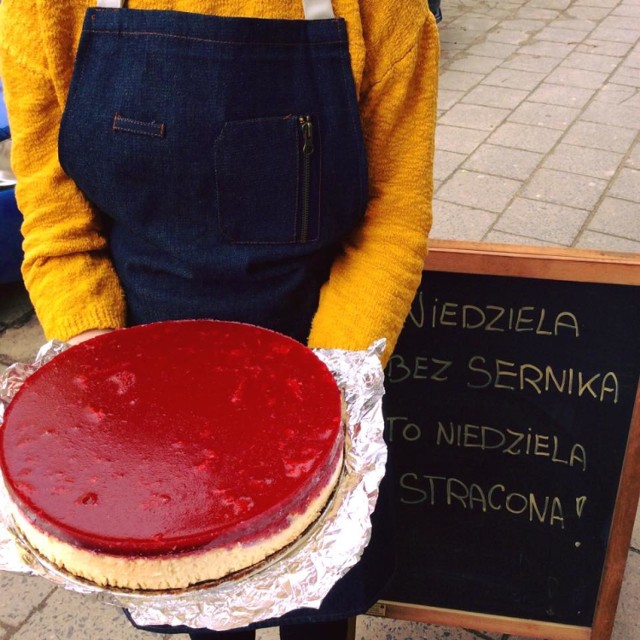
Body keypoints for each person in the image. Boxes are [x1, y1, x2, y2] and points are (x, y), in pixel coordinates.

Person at [0, 0, 439, 638]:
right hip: (140, 396)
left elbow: (390, 215)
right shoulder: (44, 9)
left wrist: (324, 395)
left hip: (319, 356)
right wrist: (94, 356)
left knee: (320, 611)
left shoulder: (383, 12)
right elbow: (56, 216)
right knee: (202, 617)